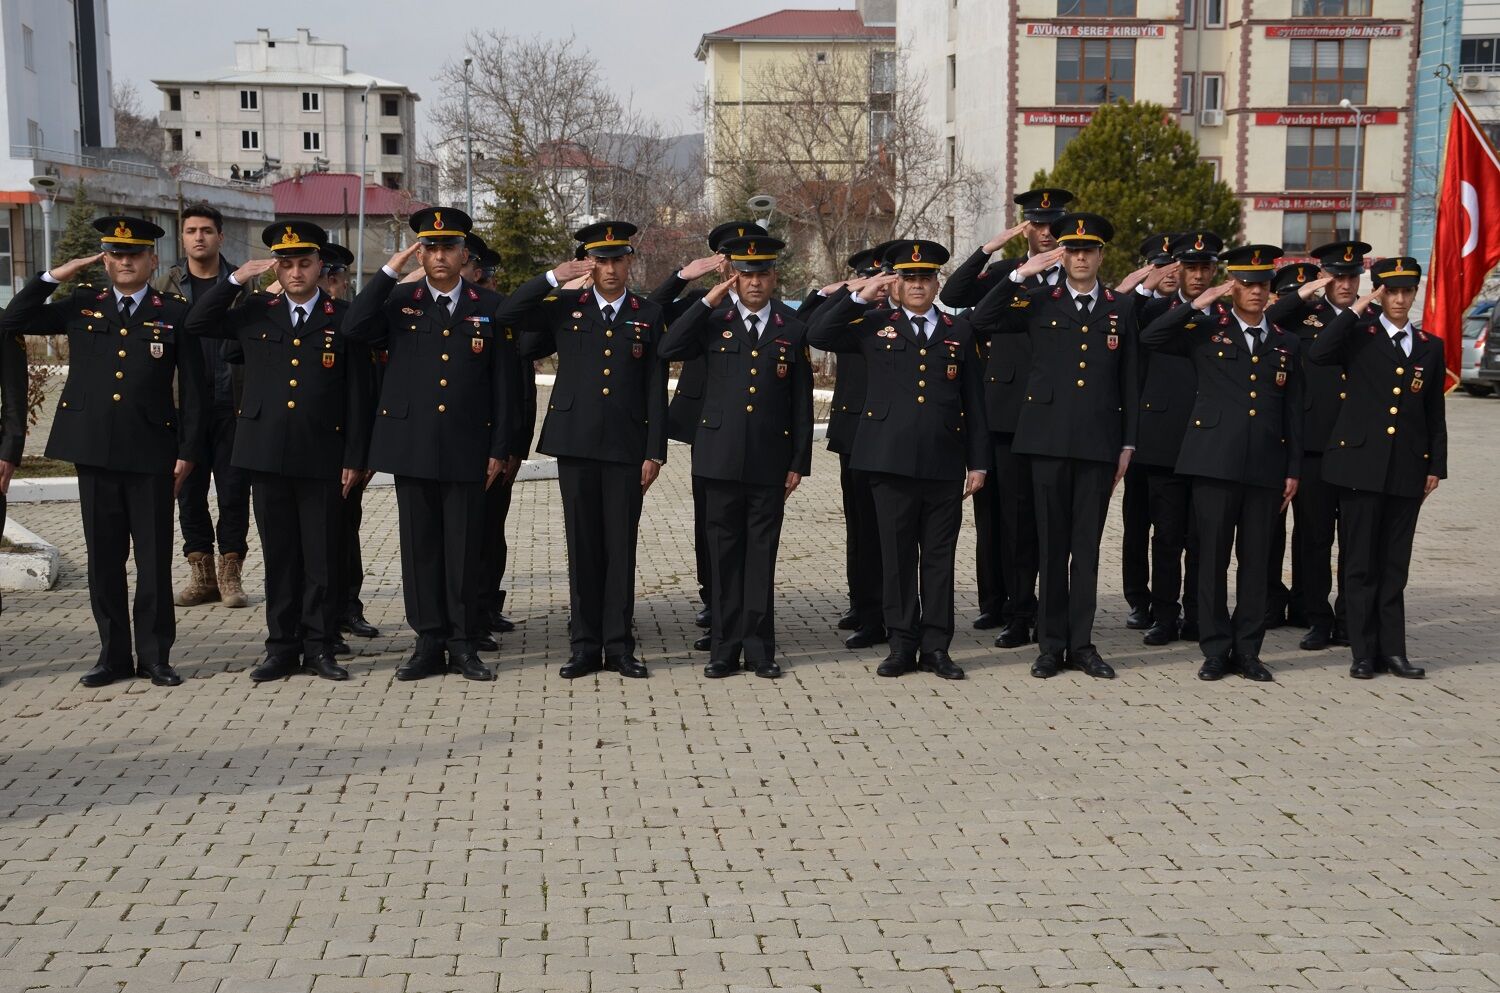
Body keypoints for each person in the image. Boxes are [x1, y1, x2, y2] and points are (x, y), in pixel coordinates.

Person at [1, 217, 207, 686]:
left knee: (153, 559)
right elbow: (13, 319)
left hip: (153, 451)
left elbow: (193, 391)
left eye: (135, 253)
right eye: (116, 253)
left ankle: (155, 656)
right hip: (93, 451)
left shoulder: (173, 311)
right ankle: (113, 656)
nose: (125, 261)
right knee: (104, 560)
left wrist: (189, 450)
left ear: (152, 260)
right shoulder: (81, 304)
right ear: (105, 259)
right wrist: (57, 274)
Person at [183, 221, 375, 682]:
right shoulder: (254, 309)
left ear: (318, 266)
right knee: (281, 556)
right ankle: (281, 647)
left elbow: (359, 395)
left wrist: (356, 457)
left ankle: (319, 645)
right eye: (285, 264)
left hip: (323, 455)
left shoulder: (342, 316)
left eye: (303, 263)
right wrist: (233, 280)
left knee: (322, 558)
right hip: (265, 453)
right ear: (277, 267)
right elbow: (197, 322)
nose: (294, 272)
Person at [341, 207, 525, 682]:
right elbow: (354, 328)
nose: (440, 255)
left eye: (448, 247)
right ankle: (428, 641)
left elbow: (505, 384)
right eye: (430, 247)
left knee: (464, 547)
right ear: (420, 252)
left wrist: (500, 447)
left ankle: (462, 643)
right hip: (413, 444)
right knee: (420, 547)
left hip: (469, 443)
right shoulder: (399, 300)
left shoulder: (489, 303)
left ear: (465, 254)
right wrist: (388, 271)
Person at [808, 239, 991, 680]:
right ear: (896, 283)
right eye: (908, 278)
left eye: (924, 278)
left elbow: (975, 403)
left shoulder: (958, 330)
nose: (917, 285)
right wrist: (858, 295)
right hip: (887, 462)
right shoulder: (874, 324)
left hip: (944, 462)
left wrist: (979, 463)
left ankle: (936, 647)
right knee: (896, 556)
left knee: (939, 558)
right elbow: (817, 334)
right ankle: (901, 644)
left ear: (936, 283)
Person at [506, 221, 668, 679]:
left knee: (620, 546)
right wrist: (553, 278)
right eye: (601, 259)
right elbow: (509, 315)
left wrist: (654, 451)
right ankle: (583, 645)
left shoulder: (648, 312)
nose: (610, 268)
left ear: (629, 261)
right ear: (588, 263)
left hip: (625, 445)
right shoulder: (563, 304)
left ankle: (618, 645)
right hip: (575, 441)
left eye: (618, 259)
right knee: (582, 545)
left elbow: (656, 385)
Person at [983, 213, 1139, 680]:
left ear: (1100, 256)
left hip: (1097, 443)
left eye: (1089, 250)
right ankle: (1050, 646)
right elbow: (981, 319)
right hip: (1046, 442)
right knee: (1050, 548)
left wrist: (1128, 443)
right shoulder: (1037, 299)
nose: (1081, 258)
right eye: (1073, 251)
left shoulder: (1120, 307)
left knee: (1085, 549)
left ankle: (1082, 644)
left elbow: (1130, 380)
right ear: (1062, 256)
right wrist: (1018, 274)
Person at [1140, 244, 1302, 682]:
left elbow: (1293, 410)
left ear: (1270, 290)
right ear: (1232, 286)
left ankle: (1248, 650)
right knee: (1211, 559)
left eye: (1262, 285)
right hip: (1213, 463)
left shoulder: (1286, 342)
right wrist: (1197, 303)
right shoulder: (1206, 329)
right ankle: (1214, 648)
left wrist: (1293, 468)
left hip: (1266, 467)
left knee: (1255, 563)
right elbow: (1150, 336)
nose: (1255, 291)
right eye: (1246, 283)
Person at [659, 235, 813, 679]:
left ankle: (759, 647)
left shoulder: (791, 326)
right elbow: (669, 348)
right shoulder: (713, 320)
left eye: (763, 273)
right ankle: (724, 648)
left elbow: (801, 403)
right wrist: (707, 300)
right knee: (724, 556)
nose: (755, 282)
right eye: (746, 274)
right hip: (718, 458)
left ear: (773, 276)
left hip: (769, 459)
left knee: (761, 556)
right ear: (734, 277)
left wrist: (798, 461)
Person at [940, 188, 1073, 650]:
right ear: (1026, 227)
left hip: (1056, 415)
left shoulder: (1076, 278)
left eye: (1053, 223)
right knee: (1001, 519)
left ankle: (1041, 607)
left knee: (1044, 520)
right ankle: (1003, 604)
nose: (1045, 231)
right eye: (1037, 223)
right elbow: (955, 295)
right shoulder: (1005, 273)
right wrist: (991, 248)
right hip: (1006, 412)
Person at [1308, 258, 1445, 680]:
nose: (1401, 300)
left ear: (1416, 294)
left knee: (1394, 566)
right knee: (1361, 564)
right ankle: (1363, 652)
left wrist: (1435, 465)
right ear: (1381, 293)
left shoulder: (1428, 344)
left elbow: (1433, 411)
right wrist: (1355, 309)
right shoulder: (1359, 335)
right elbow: (1318, 352)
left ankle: (1394, 651)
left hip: (1406, 468)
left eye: (1408, 292)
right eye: (1392, 292)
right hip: (1359, 465)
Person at [650, 221, 761, 650]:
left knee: (752, 522)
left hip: (754, 429)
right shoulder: (701, 301)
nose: (738, 268)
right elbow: (651, 314)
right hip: (707, 425)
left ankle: (749, 609)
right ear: (721, 264)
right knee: (711, 521)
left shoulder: (768, 306)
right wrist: (683, 276)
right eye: (730, 259)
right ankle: (714, 600)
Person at [1114, 230, 1222, 645]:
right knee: (1164, 536)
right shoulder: (1152, 310)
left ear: (1213, 270)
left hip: (1208, 443)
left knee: (1201, 537)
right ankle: (1161, 612)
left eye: (1202, 267)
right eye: (1187, 267)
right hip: (1162, 442)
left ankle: (1197, 612)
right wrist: (1147, 286)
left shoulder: (1222, 314)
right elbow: (1130, 318)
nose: (1195, 275)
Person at [1265, 241, 1367, 650]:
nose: (1345, 283)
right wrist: (1301, 295)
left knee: (1355, 542)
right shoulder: (1304, 315)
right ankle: (1316, 616)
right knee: (1314, 537)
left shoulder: (1371, 317)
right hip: (1313, 443)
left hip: (1358, 444)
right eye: (1337, 276)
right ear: (1324, 276)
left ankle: (1348, 618)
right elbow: (1268, 321)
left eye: (1352, 276)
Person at [154, 204, 253, 610]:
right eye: (191, 230)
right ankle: (202, 573)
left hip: (233, 404)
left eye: (207, 230)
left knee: (233, 492)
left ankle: (231, 573)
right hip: (183, 407)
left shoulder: (242, 285)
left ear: (220, 237)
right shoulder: (166, 285)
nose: (199, 237)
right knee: (188, 492)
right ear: (182, 237)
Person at [315, 244, 382, 645]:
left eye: (333, 280)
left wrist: (366, 450)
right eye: (327, 279)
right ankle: (323, 615)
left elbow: (367, 392)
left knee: (345, 532)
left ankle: (348, 607)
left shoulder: (351, 323)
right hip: (311, 447)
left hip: (346, 447)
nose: (330, 287)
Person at [825, 246, 890, 651]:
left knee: (888, 530)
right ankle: (862, 603)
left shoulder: (901, 321)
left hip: (893, 435)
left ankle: (891, 607)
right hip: (854, 434)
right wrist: (850, 293)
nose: (880, 288)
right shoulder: (852, 318)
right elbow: (814, 328)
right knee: (861, 528)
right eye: (873, 279)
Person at [1116, 233, 1181, 632]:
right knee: (1137, 526)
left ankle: (1168, 603)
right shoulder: (1135, 307)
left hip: (1180, 436)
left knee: (1173, 530)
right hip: (1141, 432)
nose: (1170, 275)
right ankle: (1138, 599)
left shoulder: (1201, 308)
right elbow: (1123, 322)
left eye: (1176, 268)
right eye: (1161, 267)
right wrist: (1143, 289)